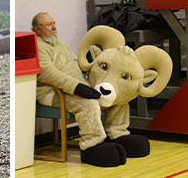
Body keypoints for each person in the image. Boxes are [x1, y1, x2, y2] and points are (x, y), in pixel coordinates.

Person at [32, 12, 129, 167]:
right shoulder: (37, 45)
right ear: (37, 29)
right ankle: (92, 145)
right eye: (49, 25)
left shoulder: (59, 43)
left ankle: (117, 134)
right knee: (88, 104)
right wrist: (77, 87)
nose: (54, 27)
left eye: (54, 23)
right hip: (53, 92)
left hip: (77, 87)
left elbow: (76, 63)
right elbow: (47, 74)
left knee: (116, 96)